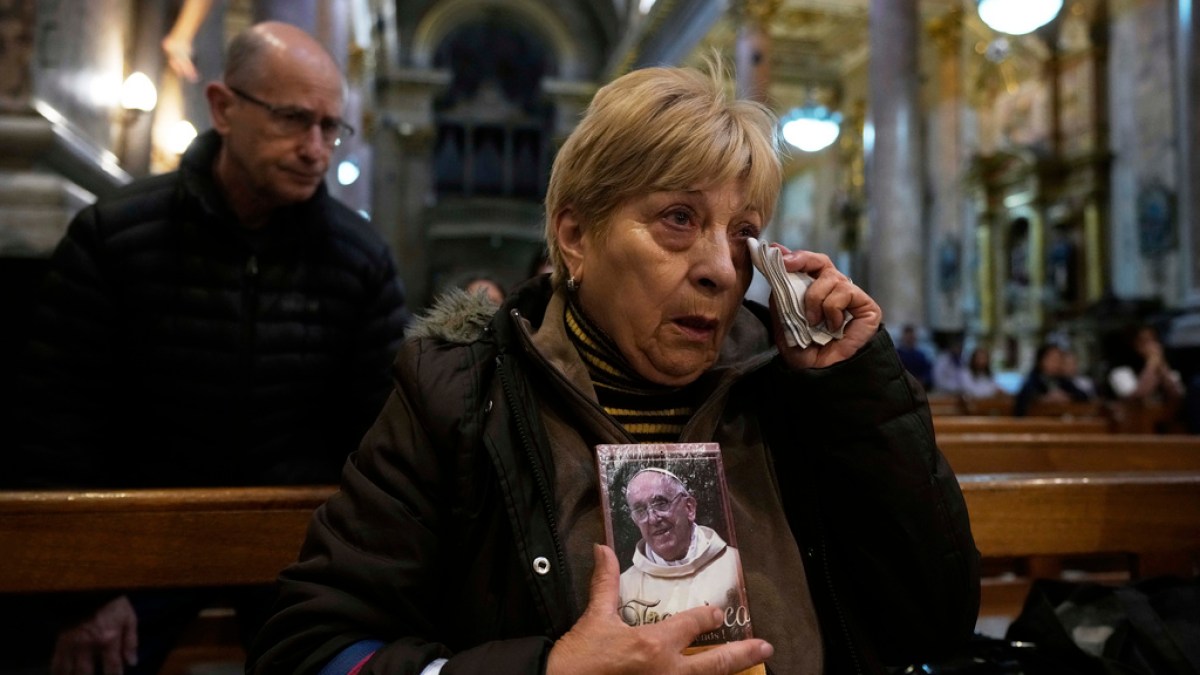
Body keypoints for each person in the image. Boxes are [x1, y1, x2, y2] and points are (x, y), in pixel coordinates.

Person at [248, 63, 979, 675]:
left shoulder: (795, 392)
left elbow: (935, 623)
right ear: (576, 235)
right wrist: (547, 671)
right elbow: (311, 648)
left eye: (743, 234)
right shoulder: (462, 394)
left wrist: (854, 391)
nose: (723, 270)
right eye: (678, 219)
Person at [10, 21, 411, 675]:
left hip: (294, 551)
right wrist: (84, 589)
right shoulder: (114, 236)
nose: (315, 149)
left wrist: (358, 582)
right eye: (293, 119)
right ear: (223, 107)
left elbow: (379, 437)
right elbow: (55, 420)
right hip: (132, 546)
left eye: (329, 127)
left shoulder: (359, 259)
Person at [618, 468, 744, 632]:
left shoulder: (736, 566)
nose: (653, 519)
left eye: (661, 504)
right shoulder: (624, 588)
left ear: (689, 508)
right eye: (640, 510)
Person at [1013, 343, 1089, 416]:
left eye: (1059, 359)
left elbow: (1083, 396)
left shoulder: (1063, 380)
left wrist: (1067, 397)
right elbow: (1023, 401)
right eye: (1053, 359)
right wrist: (1044, 399)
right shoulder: (1032, 379)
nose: (1057, 363)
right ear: (1042, 360)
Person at [896, 324, 934, 390]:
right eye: (908, 337)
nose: (909, 340)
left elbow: (927, 372)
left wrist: (922, 380)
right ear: (903, 338)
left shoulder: (920, 356)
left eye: (911, 337)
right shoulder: (897, 355)